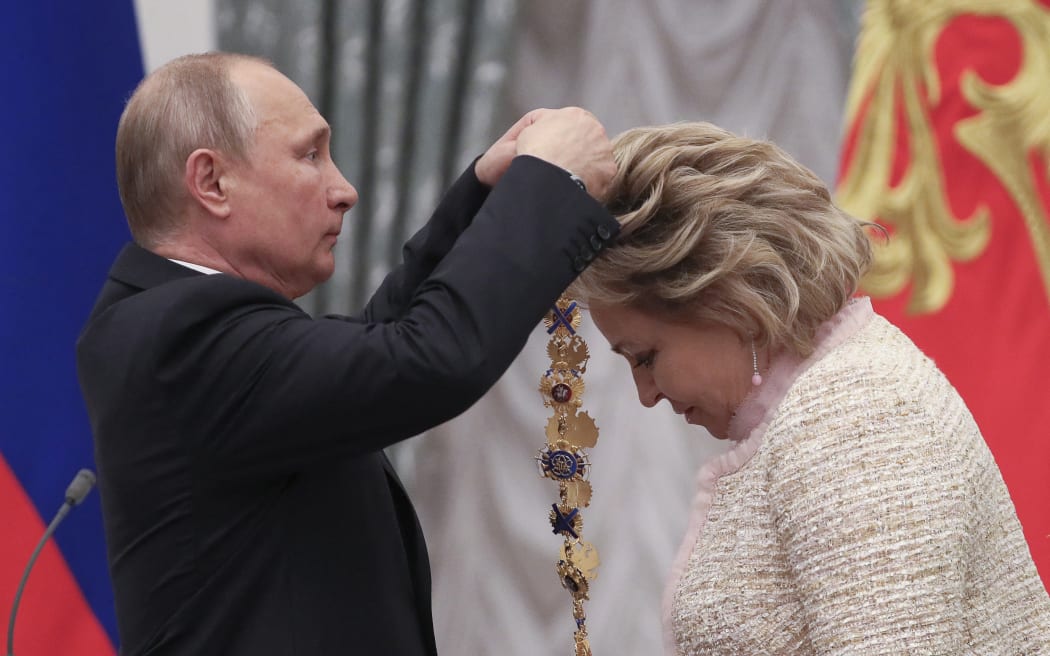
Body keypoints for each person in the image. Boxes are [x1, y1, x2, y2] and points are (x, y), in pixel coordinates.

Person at [75, 52, 618, 655]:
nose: (346, 190)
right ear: (212, 183)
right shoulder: (179, 336)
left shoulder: (174, 327)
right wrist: (549, 183)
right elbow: (423, 359)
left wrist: (488, 193)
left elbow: (375, 347)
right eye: (310, 155)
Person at [567, 121, 1050, 654]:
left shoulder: (858, 415)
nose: (647, 393)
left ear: (728, 301)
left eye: (646, 358)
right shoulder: (835, 398)